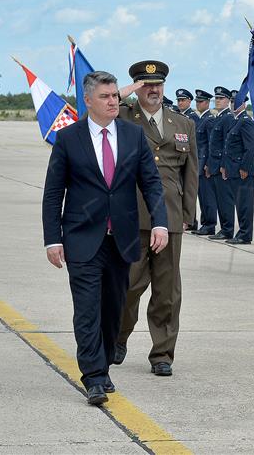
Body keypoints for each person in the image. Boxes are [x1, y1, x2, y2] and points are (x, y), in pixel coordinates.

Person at [43, 71, 168, 404]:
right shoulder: (68, 138)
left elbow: (152, 183)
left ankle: (104, 364)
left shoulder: (133, 136)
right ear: (88, 101)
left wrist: (159, 223)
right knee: (87, 310)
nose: (113, 101)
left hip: (122, 238)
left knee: (114, 310)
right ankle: (94, 377)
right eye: (105, 96)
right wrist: (52, 238)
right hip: (82, 238)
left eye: (115, 96)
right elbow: (54, 193)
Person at [114, 60, 198, 378]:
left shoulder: (183, 123)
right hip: (133, 214)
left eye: (158, 84)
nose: (153, 90)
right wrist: (123, 95)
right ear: (137, 88)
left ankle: (162, 353)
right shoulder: (123, 117)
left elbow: (190, 173)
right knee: (129, 285)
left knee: (167, 290)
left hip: (171, 215)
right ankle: (118, 337)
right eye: (146, 85)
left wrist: (187, 213)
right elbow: (90, 116)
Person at [223, 91, 254, 244]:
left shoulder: (245, 121)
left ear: (243, 104)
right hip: (233, 169)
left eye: (236, 102)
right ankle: (241, 232)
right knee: (239, 203)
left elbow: (250, 147)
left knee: (244, 204)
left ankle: (245, 235)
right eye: (231, 101)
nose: (232, 104)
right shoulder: (236, 120)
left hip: (242, 171)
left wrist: (245, 167)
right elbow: (229, 147)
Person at [207, 87, 236, 240]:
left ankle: (227, 229)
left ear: (227, 101)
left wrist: (224, 165)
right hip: (215, 165)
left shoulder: (228, 118)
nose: (217, 101)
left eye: (221, 98)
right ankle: (224, 228)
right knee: (219, 199)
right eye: (216, 98)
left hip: (222, 166)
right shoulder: (219, 117)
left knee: (225, 200)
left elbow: (227, 144)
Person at [190, 89, 217, 236]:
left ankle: (210, 224)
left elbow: (210, 144)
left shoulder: (209, 120)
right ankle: (204, 223)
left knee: (207, 196)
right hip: (197, 162)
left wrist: (208, 164)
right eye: (197, 101)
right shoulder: (199, 119)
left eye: (200, 102)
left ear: (207, 103)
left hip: (204, 163)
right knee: (201, 195)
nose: (198, 104)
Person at [176, 89, 200, 231]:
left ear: (189, 101)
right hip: (180, 159)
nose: (180, 103)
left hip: (189, 159)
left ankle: (191, 220)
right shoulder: (177, 117)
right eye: (178, 100)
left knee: (190, 190)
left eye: (183, 100)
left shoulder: (192, 118)